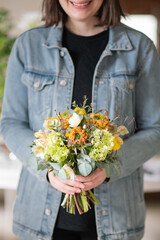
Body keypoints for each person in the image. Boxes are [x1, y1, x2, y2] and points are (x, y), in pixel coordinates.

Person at [1, 0, 160, 239]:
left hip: (117, 221)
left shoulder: (139, 47)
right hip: (39, 219)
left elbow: (155, 129)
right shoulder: (28, 45)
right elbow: (11, 122)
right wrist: (47, 169)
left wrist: (108, 168)